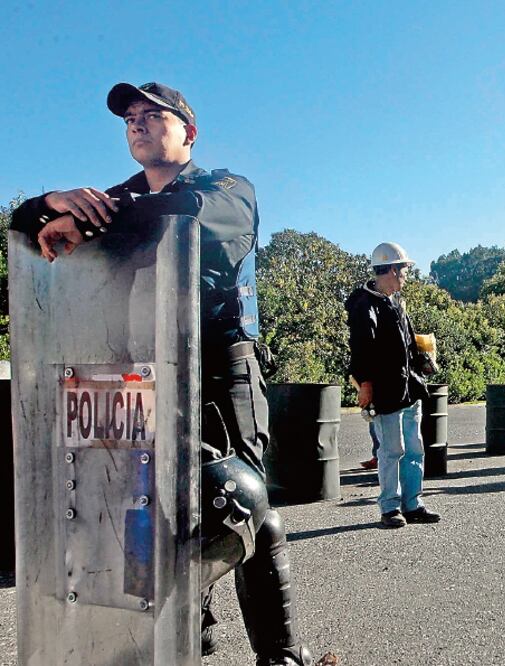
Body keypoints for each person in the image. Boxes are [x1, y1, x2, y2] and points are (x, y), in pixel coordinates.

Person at [13, 82, 312, 665]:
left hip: (222, 374)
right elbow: (25, 222)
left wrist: (88, 217)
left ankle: (281, 656)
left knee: (240, 509)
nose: (138, 125)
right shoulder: (116, 199)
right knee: (150, 512)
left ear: (188, 133)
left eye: (155, 116)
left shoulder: (227, 187)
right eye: (130, 119)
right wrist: (55, 200)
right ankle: (183, 646)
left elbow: (191, 213)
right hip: (144, 374)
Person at [345, 241, 441, 529]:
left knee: (414, 448)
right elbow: (361, 348)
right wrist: (365, 384)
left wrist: (422, 358)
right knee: (391, 450)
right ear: (388, 270)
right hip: (386, 389)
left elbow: (407, 341)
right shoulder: (364, 305)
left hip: (408, 386)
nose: (406, 275)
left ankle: (412, 504)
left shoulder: (394, 301)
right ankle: (390, 508)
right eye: (403, 269)